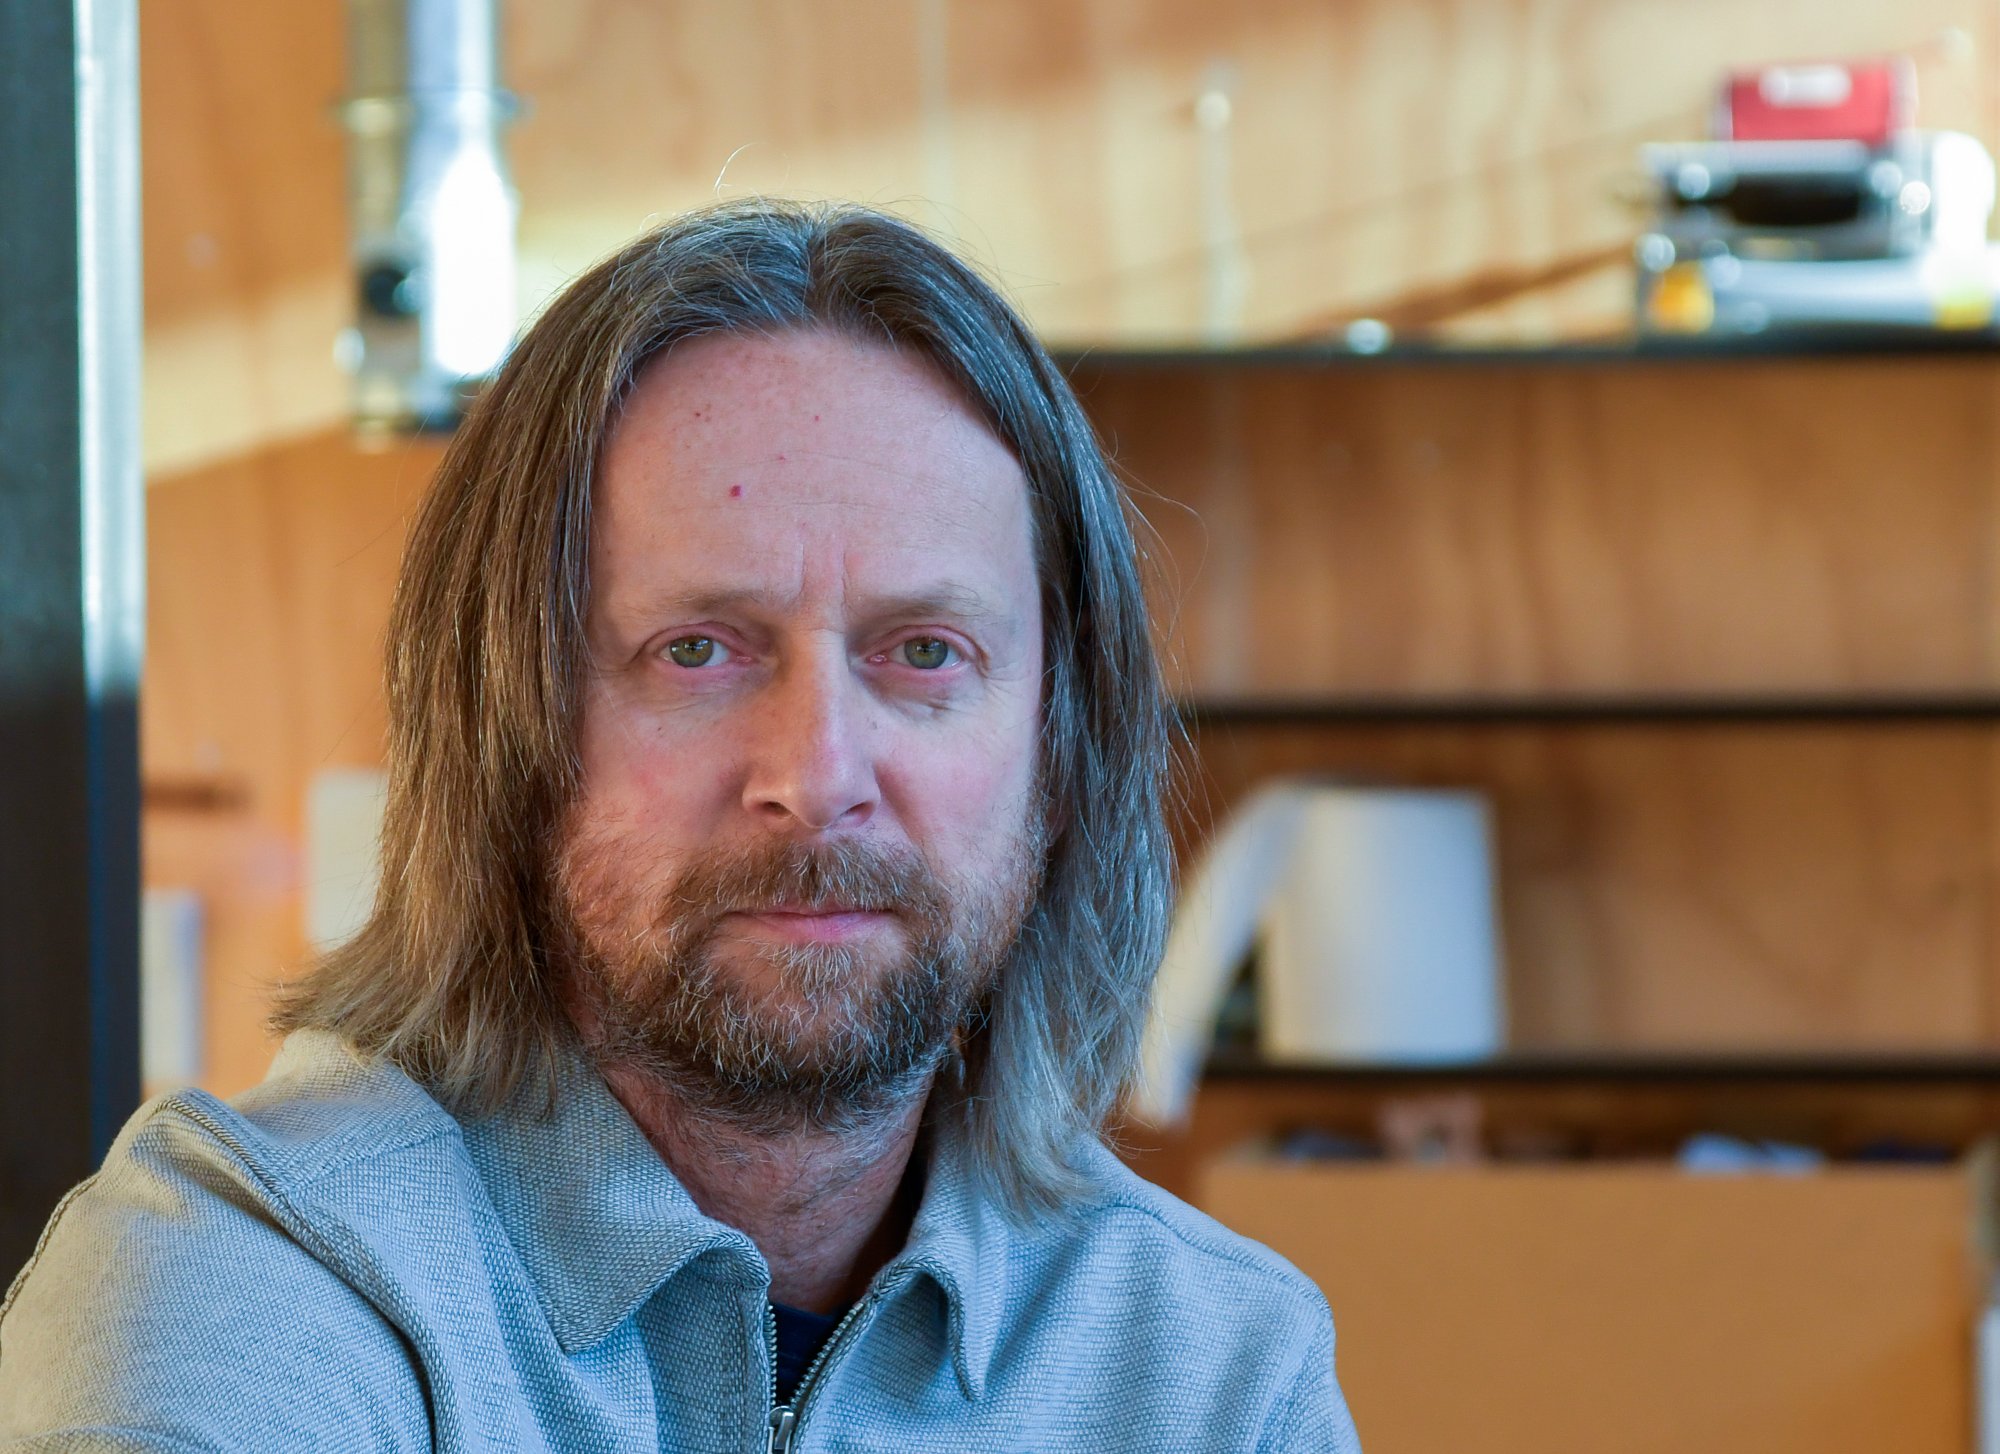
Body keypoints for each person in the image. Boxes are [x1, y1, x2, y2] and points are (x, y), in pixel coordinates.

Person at [0, 201, 1361, 1452]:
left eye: (926, 653)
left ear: (1060, 759)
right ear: (505, 733)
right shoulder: (244, 1283)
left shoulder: (1221, 1371)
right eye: (697, 649)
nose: (818, 775)